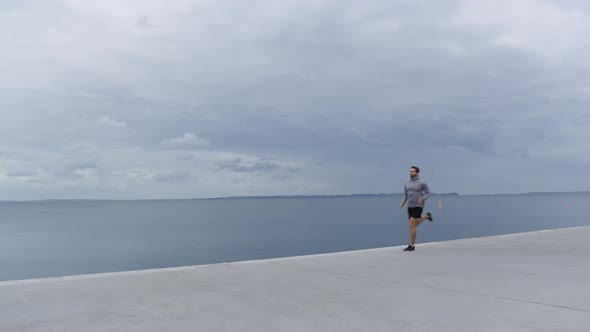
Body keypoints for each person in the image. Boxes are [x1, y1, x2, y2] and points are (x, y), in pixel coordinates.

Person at [399, 166, 432, 251]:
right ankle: (426, 216)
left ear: (417, 173)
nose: (411, 173)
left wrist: (423, 198)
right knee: (413, 225)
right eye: (410, 171)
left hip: (418, 205)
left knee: (411, 225)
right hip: (410, 206)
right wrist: (403, 201)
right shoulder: (407, 183)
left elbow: (428, 193)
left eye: (413, 171)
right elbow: (406, 195)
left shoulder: (422, 183)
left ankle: (412, 245)